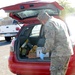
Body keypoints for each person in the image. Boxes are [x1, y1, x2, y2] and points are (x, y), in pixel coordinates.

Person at [37, 11, 74, 75]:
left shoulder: (49, 24)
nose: (42, 23)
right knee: (61, 71)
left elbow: (50, 42)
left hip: (59, 53)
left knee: (55, 72)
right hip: (67, 51)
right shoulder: (59, 21)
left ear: (42, 19)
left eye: (41, 21)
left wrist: (43, 51)